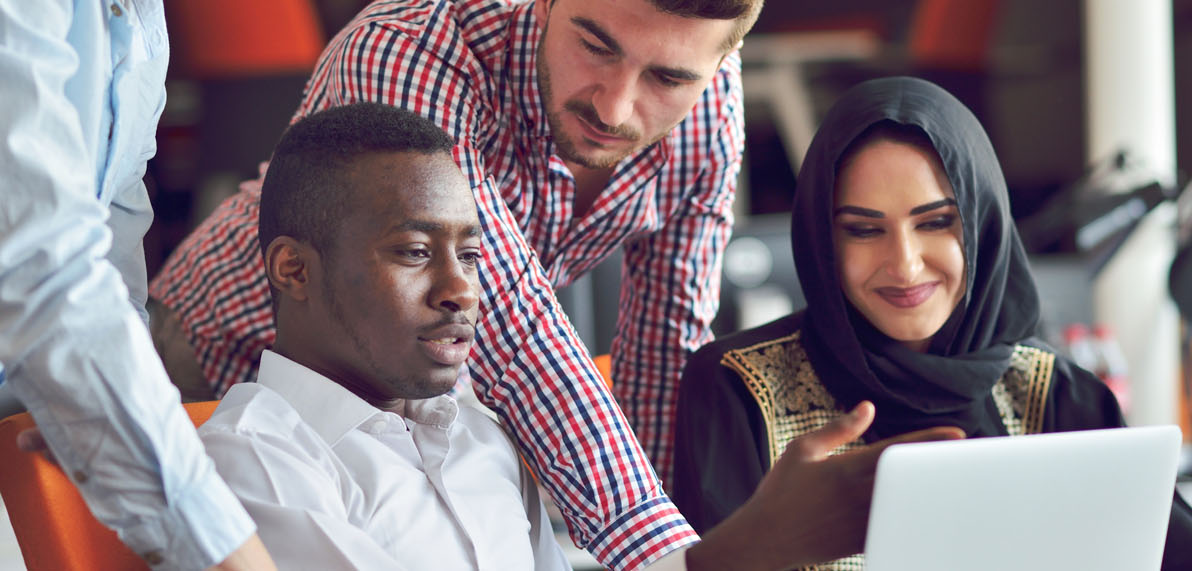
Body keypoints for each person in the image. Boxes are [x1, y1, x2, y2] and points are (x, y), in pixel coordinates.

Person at [202, 101, 961, 570]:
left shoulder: (483, 437)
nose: (463, 286)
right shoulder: (249, 463)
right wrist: (745, 550)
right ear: (293, 271)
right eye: (412, 250)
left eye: (470, 253)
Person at [152, 0, 752, 565]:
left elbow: (666, 346)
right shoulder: (412, 46)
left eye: (667, 80)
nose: (615, 107)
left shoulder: (712, 98)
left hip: (416, 392)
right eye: (596, 47)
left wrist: (694, 546)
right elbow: (510, 321)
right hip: (216, 357)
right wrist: (657, 550)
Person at [671, 77, 1192, 570]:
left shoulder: (1056, 394)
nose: (905, 264)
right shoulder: (738, 388)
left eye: (935, 222)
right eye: (863, 230)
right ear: (821, 239)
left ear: (982, 222)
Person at [0, 1, 273, 568]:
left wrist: (117, 406)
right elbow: (39, 262)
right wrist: (224, 547)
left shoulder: (140, 18)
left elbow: (114, 222)